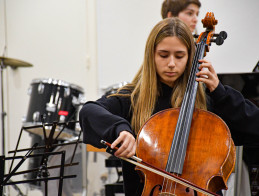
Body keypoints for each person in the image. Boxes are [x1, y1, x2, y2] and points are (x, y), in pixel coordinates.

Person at [79, 18, 259, 195]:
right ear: (152, 55)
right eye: (164, 55)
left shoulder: (210, 99)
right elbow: (89, 111)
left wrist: (220, 93)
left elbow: (254, 126)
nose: (171, 63)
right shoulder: (133, 98)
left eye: (179, 56)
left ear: (190, 57)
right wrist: (120, 129)